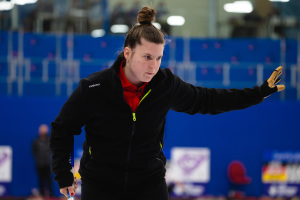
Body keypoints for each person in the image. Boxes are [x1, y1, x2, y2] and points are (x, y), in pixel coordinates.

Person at [49, 6, 285, 200]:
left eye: (159, 58)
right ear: (128, 53)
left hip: (148, 182)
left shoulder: (166, 85)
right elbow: (62, 129)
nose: (154, 65)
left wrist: (258, 93)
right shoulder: (94, 87)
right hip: (100, 183)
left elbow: (208, 99)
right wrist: (63, 174)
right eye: (147, 57)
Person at [32, 124, 53, 197]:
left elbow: (51, 150)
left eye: (45, 130)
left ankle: (50, 194)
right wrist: (38, 158)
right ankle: (42, 194)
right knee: (41, 179)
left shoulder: (49, 141)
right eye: (42, 130)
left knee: (48, 179)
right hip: (39, 163)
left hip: (47, 163)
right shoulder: (36, 141)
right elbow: (34, 151)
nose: (43, 132)